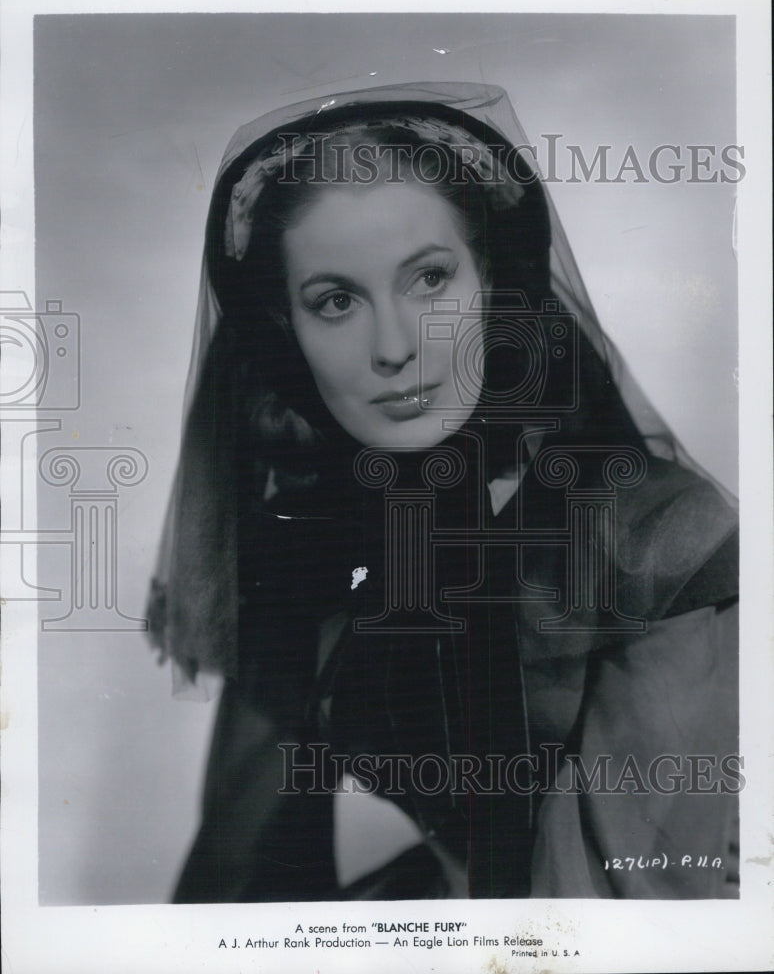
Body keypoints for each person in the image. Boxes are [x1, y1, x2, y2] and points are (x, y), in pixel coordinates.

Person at [147, 82, 739, 901]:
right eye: (336, 300)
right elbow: (240, 876)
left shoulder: (661, 540)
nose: (395, 347)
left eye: (429, 279)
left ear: (492, 282)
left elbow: (632, 906)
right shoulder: (308, 541)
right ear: (287, 329)